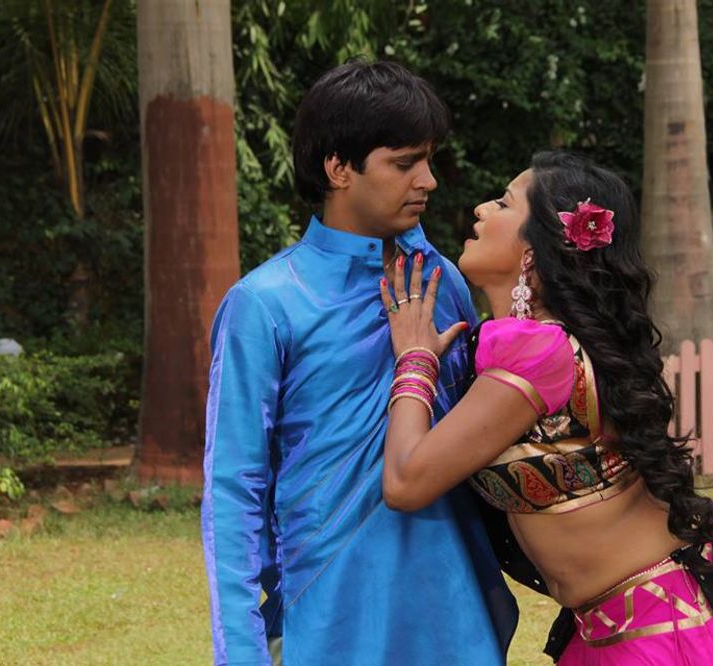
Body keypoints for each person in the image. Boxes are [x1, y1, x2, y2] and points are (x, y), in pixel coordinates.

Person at [379, 150, 713, 664]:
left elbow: (406, 482)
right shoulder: (541, 344)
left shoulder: (539, 349)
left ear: (536, 246)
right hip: (618, 628)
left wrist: (414, 360)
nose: (481, 209)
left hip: (662, 635)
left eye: (503, 202)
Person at [201, 60, 517, 666]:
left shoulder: (442, 282)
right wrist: (241, 653)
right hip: (330, 616)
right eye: (404, 163)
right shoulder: (265, 303)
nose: (428, 180)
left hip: (457, 614)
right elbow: (233, 489)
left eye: (428, 160)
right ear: (338, 168)